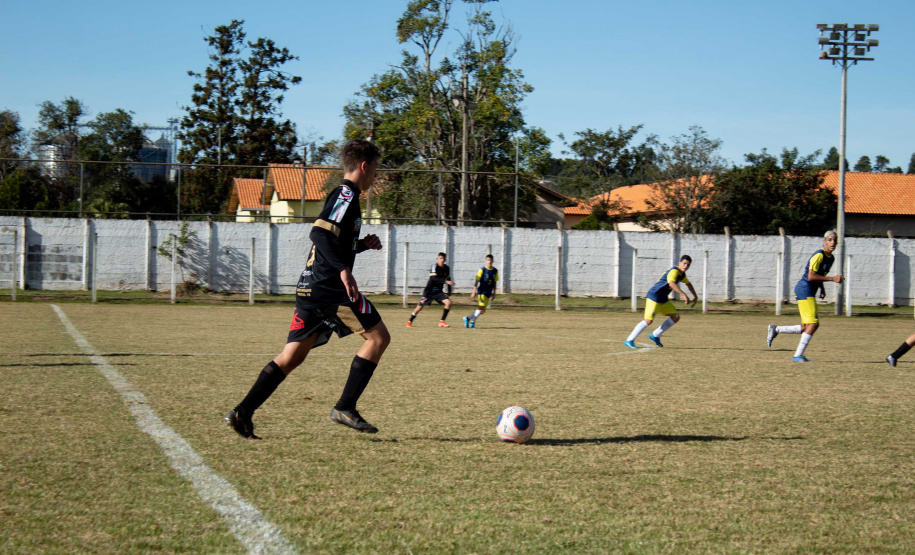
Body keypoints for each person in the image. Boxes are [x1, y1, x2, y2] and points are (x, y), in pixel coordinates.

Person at [224, 139, 390, 438]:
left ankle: (242, 412)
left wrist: (361, 246)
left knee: (292, 356)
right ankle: (345, 406)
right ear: (364, 166)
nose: (375, 176)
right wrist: (344, 271)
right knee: (378, 338)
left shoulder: (344, 197)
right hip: (329, 289)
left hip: (309, 288)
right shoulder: (346, 195)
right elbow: (318, 233)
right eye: (375, 169)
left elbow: (334, 242)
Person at [767, 230, 844, 363]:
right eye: (830, 240)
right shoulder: (819, 255)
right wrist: (832, 279)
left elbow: (819, 274)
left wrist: (821, 287)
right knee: (813, 324)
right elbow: (810, 276)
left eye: (834, 240)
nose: (832, 242)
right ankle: (797, 356)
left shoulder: (831, 258)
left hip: (809, 291)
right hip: (804, 289)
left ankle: (776, 329)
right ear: (824, 242)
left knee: (807, 326)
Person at [624, 255, 698, 349]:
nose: (686, 266)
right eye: (684, 263)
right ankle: (629, 340)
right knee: (648, 321)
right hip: (654, 296)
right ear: (679, 263)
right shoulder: (674, 271)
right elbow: (671, 283)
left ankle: (655, 335)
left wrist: (695, 296)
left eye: (688, 265)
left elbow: (688, 284)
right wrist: (684, 295)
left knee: (675, 316)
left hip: (662, 299)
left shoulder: (682, 275)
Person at [407, 252, 455, 328]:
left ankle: (441, 321)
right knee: (420, 306)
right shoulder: (434, 266)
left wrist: (449, 290)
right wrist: (445, 281)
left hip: (438, 291)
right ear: (437, 259)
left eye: (443, 259)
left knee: (448, 303)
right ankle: (409, 321)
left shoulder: (446, 268)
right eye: (440, 258)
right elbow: (433, 278)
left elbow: (448, 278)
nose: (442, 260)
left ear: (445, 260)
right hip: (429, 291)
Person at [464, 254, 499, 328]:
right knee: (481, 307)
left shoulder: (495, 271)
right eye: (488, 260)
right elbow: (477, 281)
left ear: (493, 261)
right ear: (485, 261)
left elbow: (495, 282)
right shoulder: (482, 270)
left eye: (490, 260)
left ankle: (467, 318)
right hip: (481, 292)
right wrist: (474, 291)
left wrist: (494, 293)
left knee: (482, 311)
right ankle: (472, 323)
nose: (489, 261)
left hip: (488, 293)